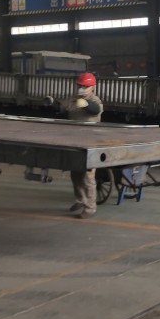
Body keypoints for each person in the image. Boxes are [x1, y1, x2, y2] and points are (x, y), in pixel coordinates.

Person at [61, 72, 103, 218]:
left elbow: (95, 110)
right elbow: (62, 107)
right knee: (75, 173)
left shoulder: (95, 101)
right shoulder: (73, 99)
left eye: (85, 87)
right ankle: (80, 200)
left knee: (88, 176)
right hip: (74, 140)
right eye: (80, 86)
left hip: (89, 142)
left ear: (92, 87)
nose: (82, 89)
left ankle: (90, 207)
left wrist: (85, 104)